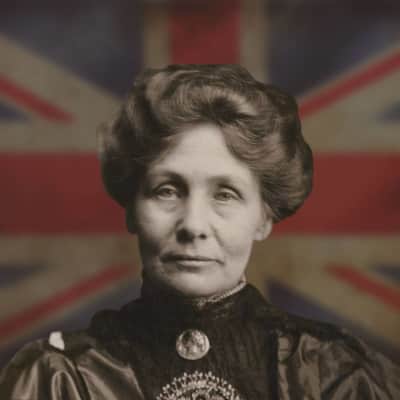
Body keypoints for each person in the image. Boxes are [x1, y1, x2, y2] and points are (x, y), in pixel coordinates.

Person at [1, 64, 399, 399]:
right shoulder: (62, 379)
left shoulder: (332, 373)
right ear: (132, 210)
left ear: (264, 218)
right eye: (167, 190)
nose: (193, 225)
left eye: (225, 194)